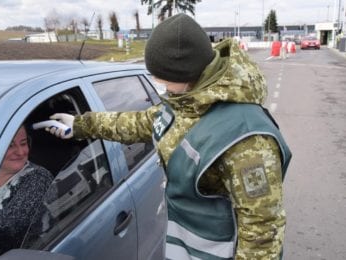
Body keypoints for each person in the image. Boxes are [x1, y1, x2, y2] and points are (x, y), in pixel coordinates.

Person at [47, 14, 292, 260]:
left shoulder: (246, 140)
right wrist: (81, 124)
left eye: (161, 77)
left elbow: (263, 231)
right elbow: (141, 123)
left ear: (184, 73)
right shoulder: (186, 101)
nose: (156, 82)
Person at [0, 125, 53, 260]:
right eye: (10, 146)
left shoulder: (39, 177)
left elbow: (9, 225)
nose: (20, 152)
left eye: (23, 144)